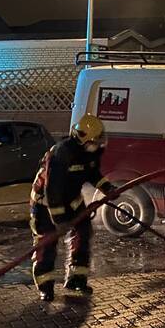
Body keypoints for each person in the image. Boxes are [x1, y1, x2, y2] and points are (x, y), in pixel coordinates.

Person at [29, 114, 114, 301]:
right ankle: (45, 285)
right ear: (83, 138)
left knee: (83, 233)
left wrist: (107, 188)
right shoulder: (62, 154)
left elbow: (92, 173)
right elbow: (53, 190)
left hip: (72, 200)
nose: (99, 144)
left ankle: (77, 279)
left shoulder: (90, 152)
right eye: (95, 140)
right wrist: (60, 221)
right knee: (47, 243)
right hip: (46, 204)